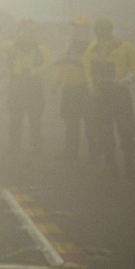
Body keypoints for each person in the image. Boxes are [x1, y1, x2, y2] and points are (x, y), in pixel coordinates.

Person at [83, 17, 135, 179]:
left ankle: (129, 165)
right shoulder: (92, 48)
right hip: (101, 94)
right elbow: (88, 71)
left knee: (126, 129)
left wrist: (124, 81)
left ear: (110, 30)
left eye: (105, 30)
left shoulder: (124, 46)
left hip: (120, 92)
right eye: (100, 30)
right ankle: (110, 164)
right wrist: (91, 86)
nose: (102, 33)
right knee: (104, 131)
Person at [52, 16, 95, 162]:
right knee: (70, 123)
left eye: (80, 28)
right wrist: (55, 84)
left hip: (86, 89)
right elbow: (62, 68)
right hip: (69, 89)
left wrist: (75, 61)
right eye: (75, 28)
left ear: (87, 30)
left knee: (90, 122)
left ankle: (94, 154)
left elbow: (94, 67)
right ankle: (70, 153)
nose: (77, 31)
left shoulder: (93, 47)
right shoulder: (68, 46)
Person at [7, 18, 50, 156]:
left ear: (33, 31)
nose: (25, 33)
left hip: (33, 88)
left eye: (28, 30)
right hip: (16, 87)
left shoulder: (41, 49)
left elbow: (48, 65)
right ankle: (14, 148)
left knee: (35, 120)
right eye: (23, 29)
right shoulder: (12, 49)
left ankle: (37, 148)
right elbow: (6, 66)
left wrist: (36, 71)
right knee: (15, 120)